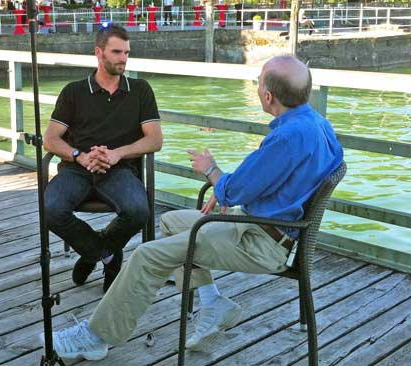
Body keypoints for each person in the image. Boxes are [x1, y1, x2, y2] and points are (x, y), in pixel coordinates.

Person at [41, 55, 344, 360]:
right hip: (268, 224)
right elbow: (272, 181)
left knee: (147, 255)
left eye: (258, 81)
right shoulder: (318, 124)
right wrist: (230, 194)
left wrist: (211, 170)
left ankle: (97, 337)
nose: (256, 87)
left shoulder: (286, 138)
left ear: (268, 96)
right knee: (173, 221)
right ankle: (213, 303)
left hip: (259, 240)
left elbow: (234, 188)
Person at [43, 24, 163, 294]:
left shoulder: (140, 89)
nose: (123, 58)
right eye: (116, 52)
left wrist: (116, 153)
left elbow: (155, 140)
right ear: (98, 52)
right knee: (50, 209)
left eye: (127, 52)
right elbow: (51, 139)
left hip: (119, 169)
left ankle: (91, 253)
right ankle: (108, 254)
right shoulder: (73, 91)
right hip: (77, 168)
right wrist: (80, 156)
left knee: (139, 211)